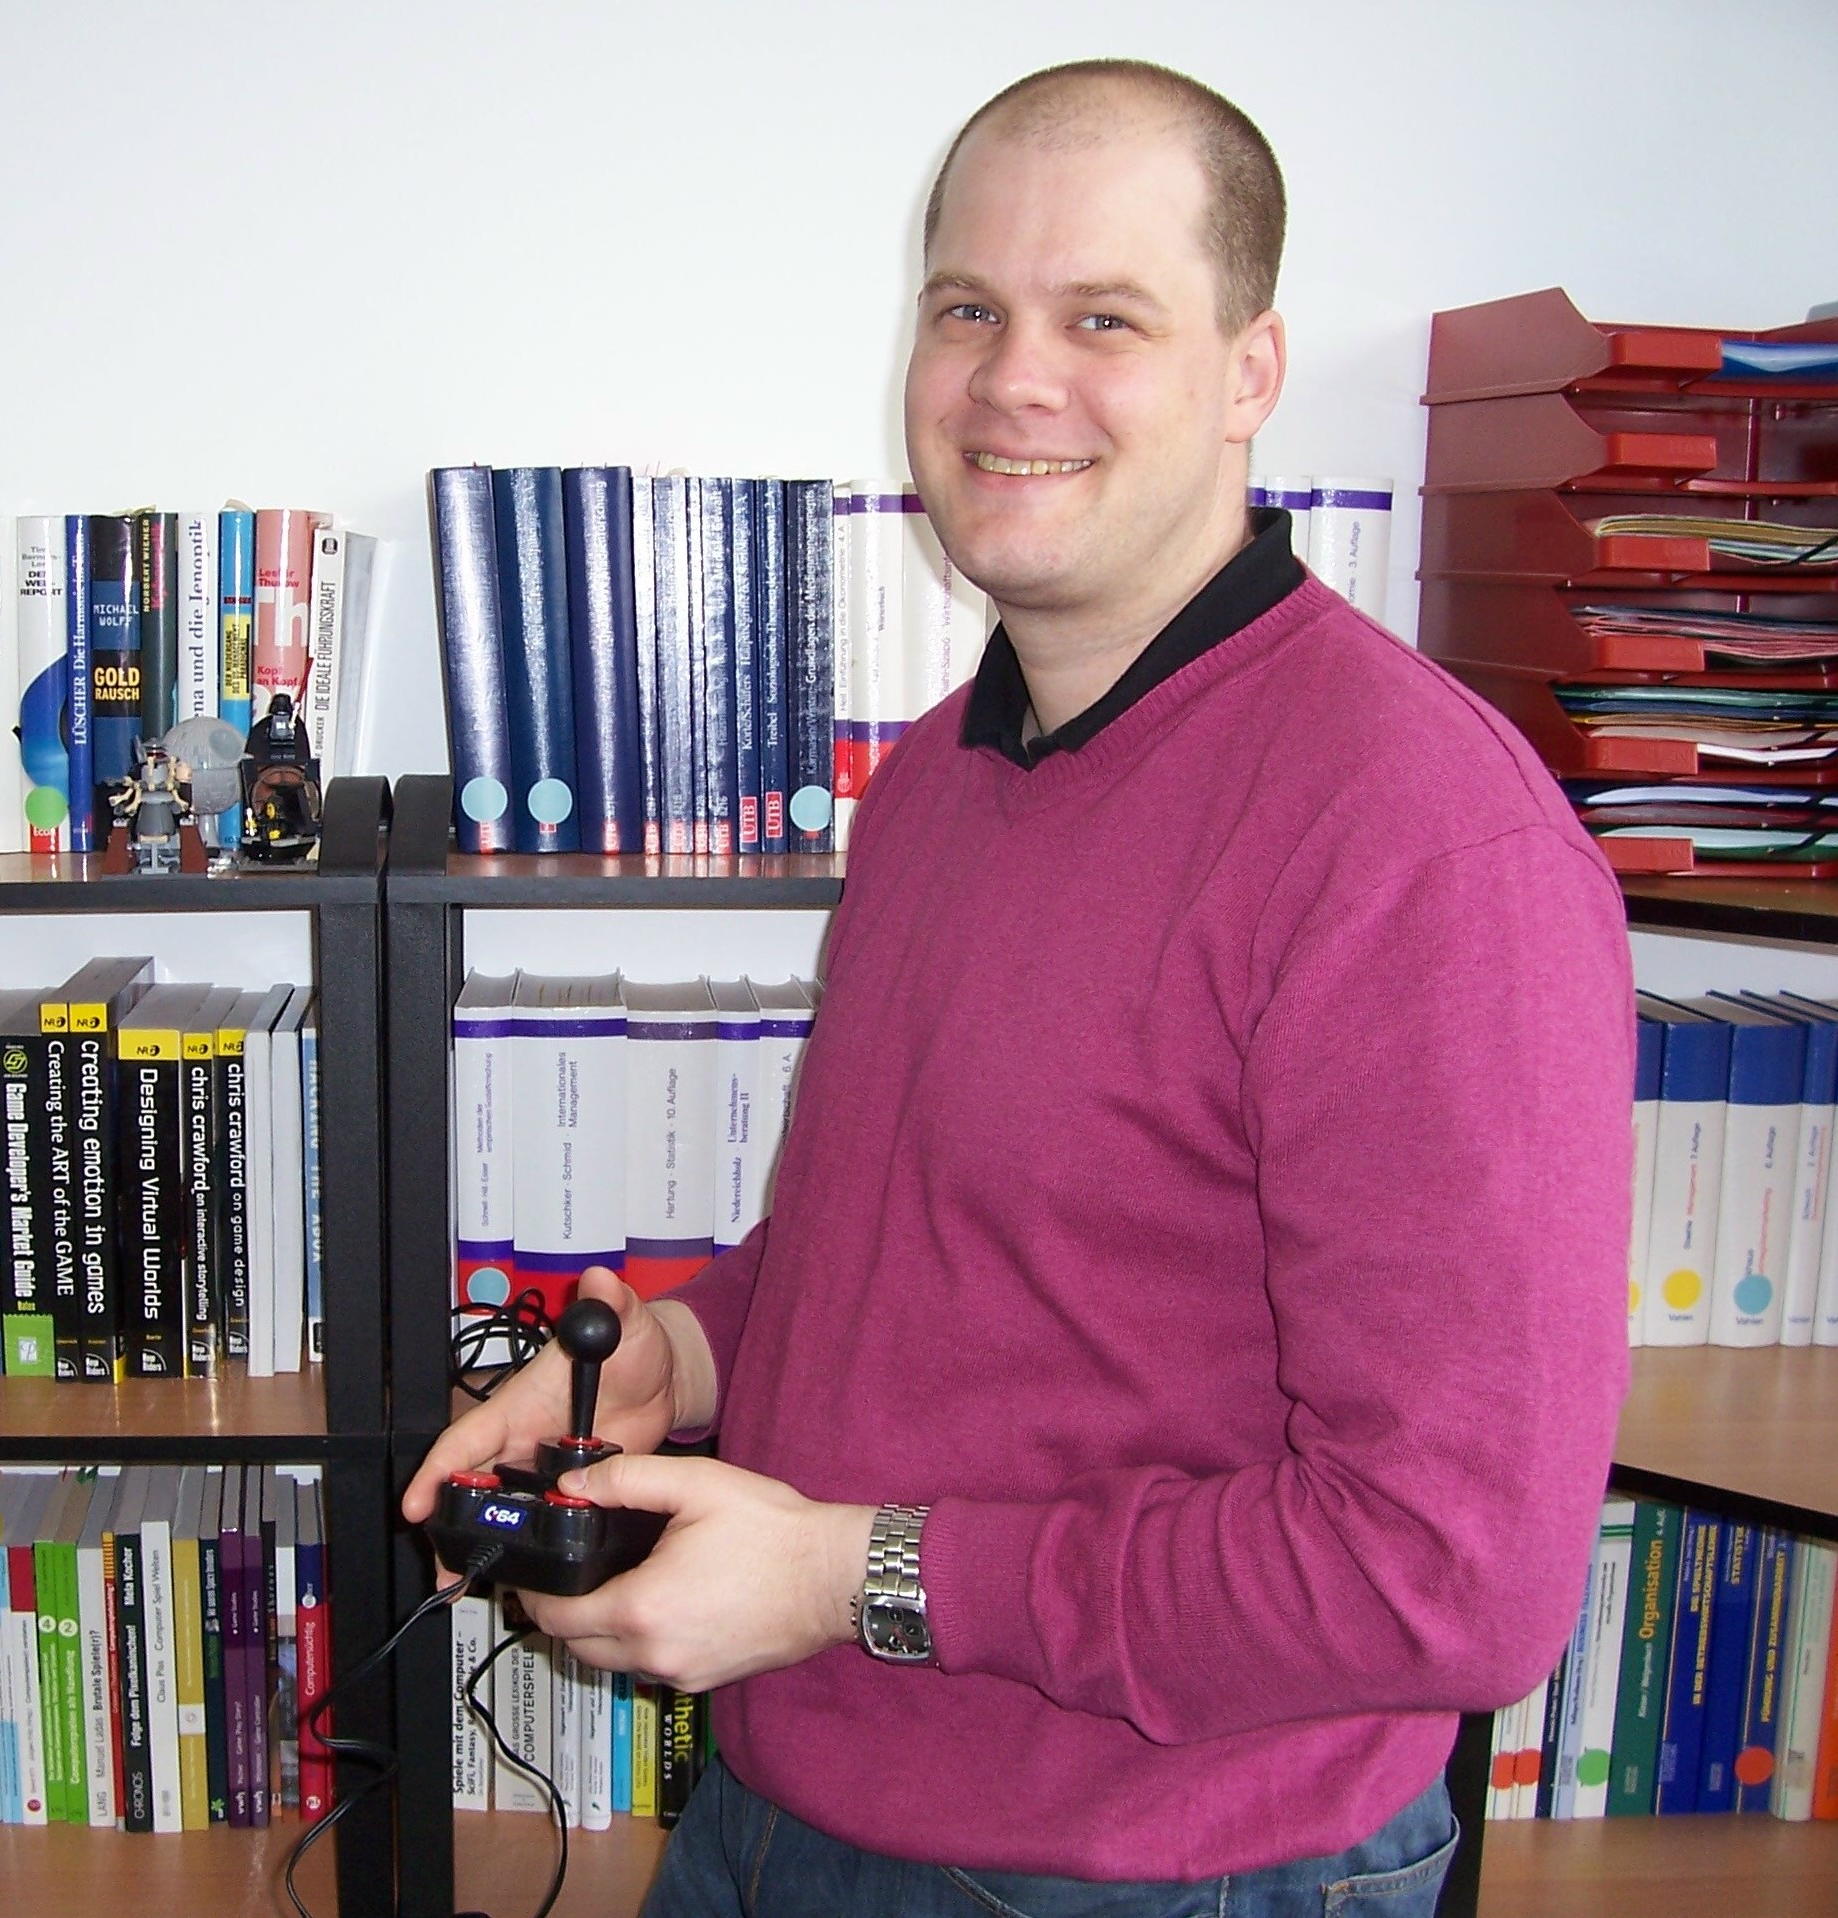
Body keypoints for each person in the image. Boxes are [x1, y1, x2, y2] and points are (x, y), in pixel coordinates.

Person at [405, 57, 1631, 1918]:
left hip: (1153, 1874)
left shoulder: (1420, 840)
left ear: (1248, 372)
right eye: (966, 308)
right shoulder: (937, 775)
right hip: (780, 1808)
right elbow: (926, 1249)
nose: (1011, 379)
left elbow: (1451, 1575)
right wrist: (684, 1353)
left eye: (1103, 317)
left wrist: (843, 1578)